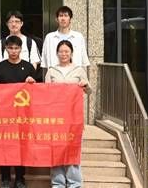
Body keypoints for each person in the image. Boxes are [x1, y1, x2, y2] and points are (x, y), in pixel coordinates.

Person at [0, 36, 36, 188]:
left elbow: (36, 91)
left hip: (23, 115)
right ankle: (5, 178)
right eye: (10, 48)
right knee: (4, 145)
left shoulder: (29, 68)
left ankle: (20, 178)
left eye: (16, 48)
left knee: (21, 146)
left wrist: (32, 83)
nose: (13, 51)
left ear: (21, 49)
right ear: (6, 49)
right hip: (4, 115)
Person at [46, 40, 90, 188]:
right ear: (57, 53)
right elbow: (45, 93)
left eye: (66, 51)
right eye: (61, 51)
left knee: (72, 150)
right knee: (56, 150)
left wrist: (85, 85)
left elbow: (89, 91)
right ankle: (57, 183)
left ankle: (74, 183)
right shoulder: (51, 71)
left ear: (71, 53)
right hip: (56, 118)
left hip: (73, 119)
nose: (63, 54)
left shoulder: (79, 70)